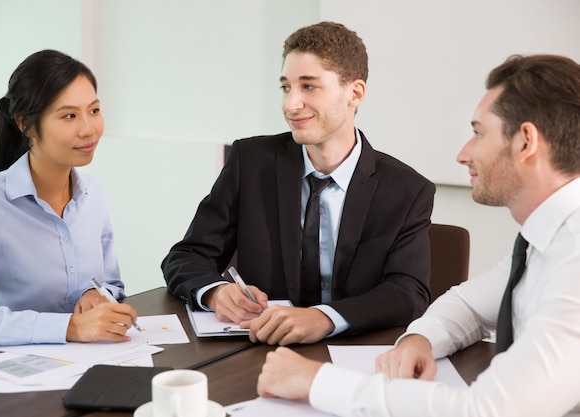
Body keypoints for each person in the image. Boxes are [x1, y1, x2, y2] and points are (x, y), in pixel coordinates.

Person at [257, 53, 580, 417]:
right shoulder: (546, 239)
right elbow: (468, 305)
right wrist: (419, 339)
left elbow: (486, 411)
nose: (463, 154)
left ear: (525, 142)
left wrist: (315, 381)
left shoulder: (574, 263)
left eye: (478, 133)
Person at [162, 21, 435, 346]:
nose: (290, 104)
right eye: (285, 87)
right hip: (260, 350)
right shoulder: (250, 162)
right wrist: (216, 293)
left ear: (355, 92)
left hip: (352, 354)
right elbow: (186, 255)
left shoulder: (406, 190)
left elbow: (408, 292)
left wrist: (323, 318)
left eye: (308, 86)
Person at [0, 50, 138, 348]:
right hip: (8, 375)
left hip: (84, 363)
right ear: (25, 124)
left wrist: (95, 295)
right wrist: (68, 327)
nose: (88, 129)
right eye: (69, 116)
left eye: (94, 111)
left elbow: (112, 286)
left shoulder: (94, 193)